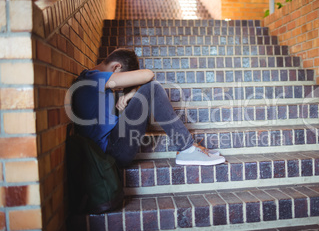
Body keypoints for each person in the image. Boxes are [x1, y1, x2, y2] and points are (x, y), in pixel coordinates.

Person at [70, 48, 225, 167]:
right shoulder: (95, 78)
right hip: (111, 151)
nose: (118, 89)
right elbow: (148, 75)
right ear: (117, 67)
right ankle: (187, 148)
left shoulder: (89, 79)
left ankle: (190, 146)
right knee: (153, 88)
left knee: (147, 91)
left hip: (112, 147)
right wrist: (132, 92)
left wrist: (132, 92)